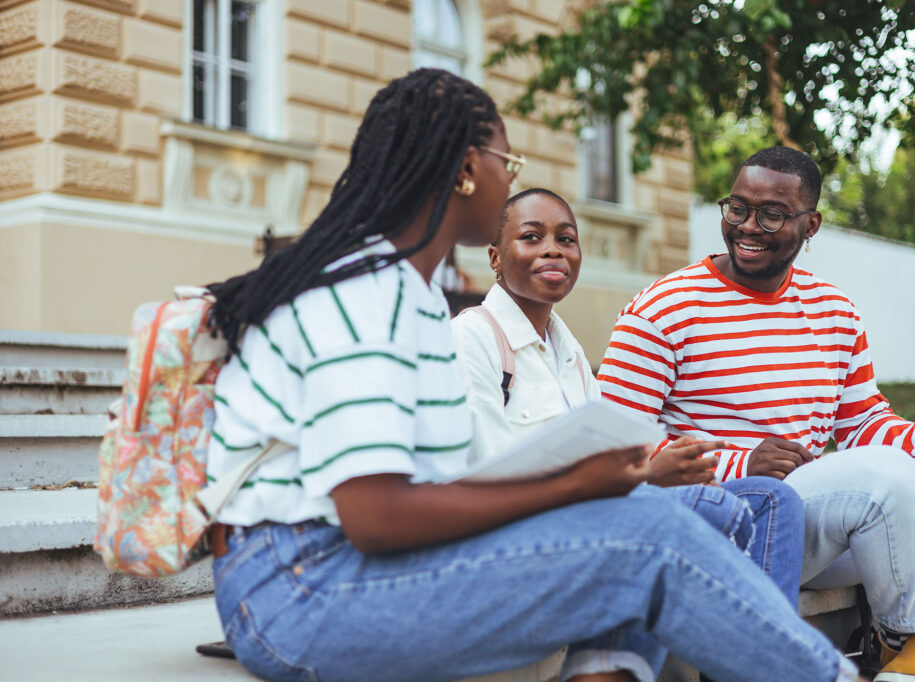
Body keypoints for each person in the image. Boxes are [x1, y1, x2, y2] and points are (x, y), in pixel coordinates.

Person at [202, 71, 862, 682]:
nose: (509, 182)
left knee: (636, 517)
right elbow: (375, 517)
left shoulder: (411, 289)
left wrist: (594, 487)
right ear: (466, 171)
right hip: (298, 591)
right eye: (506, 165)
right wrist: (576, 483)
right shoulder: (371, 292)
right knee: (651, 539)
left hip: (329, 568)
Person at [598, 145, 915, 680]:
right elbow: (613, 447)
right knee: (882, 477)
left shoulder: (833, 311)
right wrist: (740, 464)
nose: (748, 225)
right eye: (737, 208)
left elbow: (865, 425)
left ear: (810, 224)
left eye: (772, 213)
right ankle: (901, 637)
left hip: (826, 522)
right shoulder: (664, 307)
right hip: (740, 522)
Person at [452, 187, 805, 608]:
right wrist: (646, 476)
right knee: (712, 510)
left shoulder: (572, 355)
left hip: (597, 517)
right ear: (495, 257)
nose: (553, 251)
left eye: (566, 239)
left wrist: (666, 467)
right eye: (532, 237)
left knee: (773, 498)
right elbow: (490, 484)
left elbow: (608, 459)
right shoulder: (472, 338)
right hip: (527, 540)